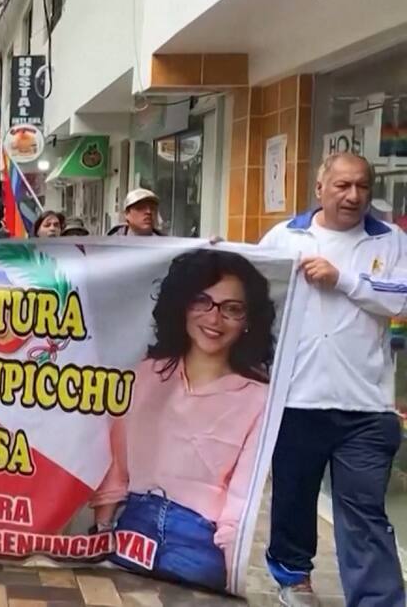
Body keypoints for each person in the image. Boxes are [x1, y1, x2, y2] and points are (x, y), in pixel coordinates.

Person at [260, 152, 406, 606]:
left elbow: (400, 299)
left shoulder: (391, 239)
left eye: (362, 186)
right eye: (343, 185)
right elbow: (254, 288)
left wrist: (343, 279)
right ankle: (293, 578)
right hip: (298, 398)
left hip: (366, 405)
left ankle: (378, 598)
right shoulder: (285, 236)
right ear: (320, 187)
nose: (353, 195)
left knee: (363, 509)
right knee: (294, 499)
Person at [92, 249, 275, 591]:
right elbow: (115, 469)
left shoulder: (260, 399)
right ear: (183, 305)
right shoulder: (144, 375)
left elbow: (240, 499)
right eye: (202, 301)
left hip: (200, 539)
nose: (214, 318)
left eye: (232, 309)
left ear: (249, 320)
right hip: (130, 527)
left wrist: (233, 575)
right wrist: (102, 533)